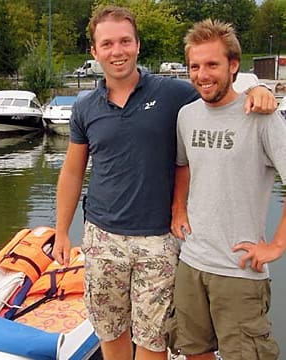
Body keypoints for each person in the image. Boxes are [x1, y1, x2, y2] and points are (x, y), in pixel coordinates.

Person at [52, 5, 277, 360]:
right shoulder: (85, 107)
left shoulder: (174, 95)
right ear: (94, 52)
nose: (117, 51)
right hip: (101, 238)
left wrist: (258, 88)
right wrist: (62, 230)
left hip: (159, 240)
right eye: (107, 43)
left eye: (125, 41)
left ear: (138, 45)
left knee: (154, 339)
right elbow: (72, 171)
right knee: (110, 330)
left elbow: (218, 91)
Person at [169, 18, 286, 360]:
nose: (202, 74)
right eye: (195, 66)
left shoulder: (261, 116)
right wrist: (179, 208)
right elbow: (183, 163)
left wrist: (277, 244)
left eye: (212, 64)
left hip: (239, 271)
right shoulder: (186, 115)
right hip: (191, 263)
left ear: (233, 66)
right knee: (194, 351)